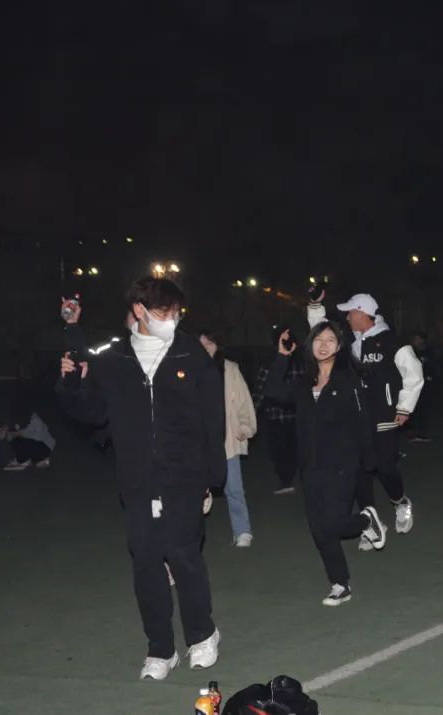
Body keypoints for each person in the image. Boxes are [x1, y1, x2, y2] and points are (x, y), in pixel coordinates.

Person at [57, 277, 226, 681]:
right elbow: (94, 413)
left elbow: (211, 417)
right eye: (164, 311)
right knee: (147, 562)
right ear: (139, 310)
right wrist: (71, 384)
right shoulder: (114, 358)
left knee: (183, 555)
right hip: (136, 479)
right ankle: (160, 649)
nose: (172, 318)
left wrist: (211, 476)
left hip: (184, 475)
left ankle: (202, 634)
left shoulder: (191, 353)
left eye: (176, 312)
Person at [262, 321, 387, 606]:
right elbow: (272, 390)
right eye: (318, 339)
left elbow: (363, 421)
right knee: (319, 529)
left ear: (339, 346)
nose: (323, 345)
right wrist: (282, 356)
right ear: (310, 345)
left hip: (342, 464)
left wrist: (368, 462)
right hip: (311, 466)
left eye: (330, 340)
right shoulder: (304, 383)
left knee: (332, 524)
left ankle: (366, 520)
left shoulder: (348, 380)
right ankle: (340, 584)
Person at [307, 290, 424, 541]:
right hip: (354, 417)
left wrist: (404, 407)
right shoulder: (349, 341)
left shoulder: (393, 341)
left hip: (384, 416)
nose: (347, 317)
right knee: (358, 470)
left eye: (350, 312)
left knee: (384, 466)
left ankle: (400, 501)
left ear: (362, 313)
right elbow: (321, 335)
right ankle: (371, 522)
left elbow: (414, 373)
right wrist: (315, 305)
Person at [198, 329, 258, 547]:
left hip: (226, 439)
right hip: (197, 440)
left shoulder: (230, 369)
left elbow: (243, 400)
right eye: (201, 344)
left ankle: (242, 531)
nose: (206, 348)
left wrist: (245, 426)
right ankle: (190, 534)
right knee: (192, 490)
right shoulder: (188, 368)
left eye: (210, 343)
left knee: (234, 488)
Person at [252, 325, 305, 495]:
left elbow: (260, 390)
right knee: (291, 449)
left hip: (281, 415)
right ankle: (293, 479)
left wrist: (252, 412)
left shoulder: (273, 362)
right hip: (290, 415)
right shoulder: (300, 363)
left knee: (281, 450)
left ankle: (287, 480)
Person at [1, 405, 55, 470]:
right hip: (35, 445)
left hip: (45, 446)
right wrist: (7, 432)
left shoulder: (36, 420)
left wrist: (21, 433)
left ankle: (34, 460)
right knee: (16, 441)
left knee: (24, 442)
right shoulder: (18, 421)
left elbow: (38, 437)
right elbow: (11, 436)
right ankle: (28, 460)